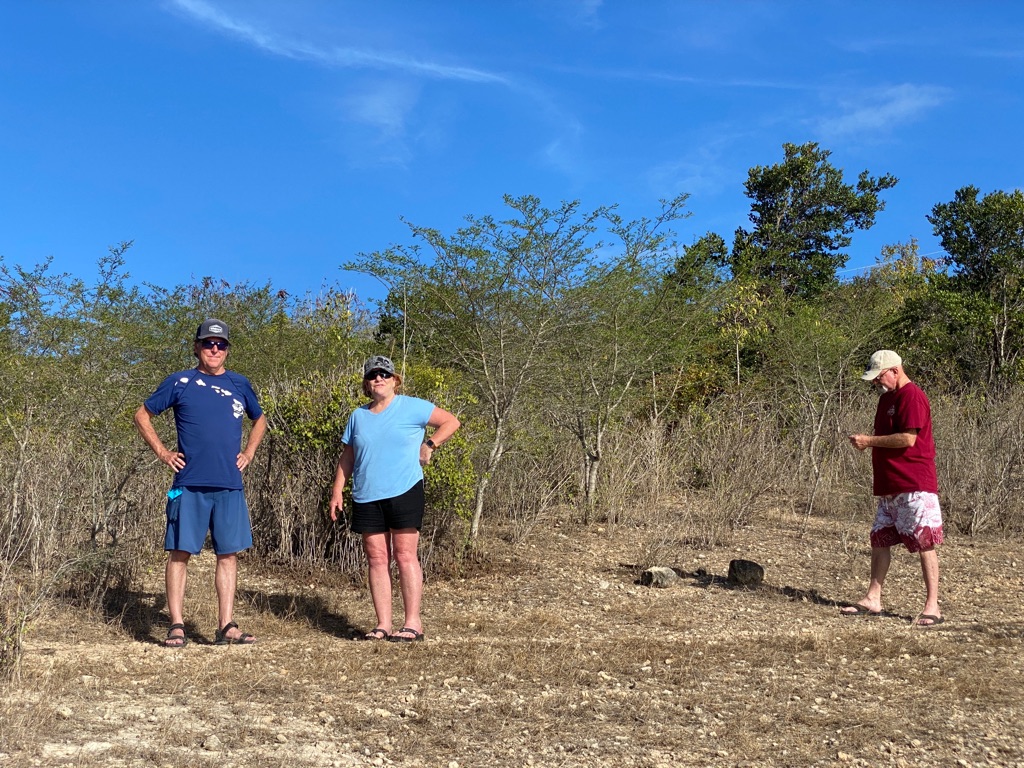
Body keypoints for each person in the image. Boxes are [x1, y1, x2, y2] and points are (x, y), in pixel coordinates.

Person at [134, 319, 267, 647]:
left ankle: (226, 626)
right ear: (197, 347)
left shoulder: (239, 384)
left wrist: (249, 452)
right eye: (208, 343)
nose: (214, 349)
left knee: (228, 554)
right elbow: (142, 415)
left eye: (221, 344)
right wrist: (163, 452)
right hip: (189, 483)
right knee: (180, 552)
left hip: (229, 484)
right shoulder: (180, 381)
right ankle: (176, 624)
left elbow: (260, 419)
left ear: (227, 350)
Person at [329, 355, 461, 642]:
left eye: (384, 374)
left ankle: (413, 623)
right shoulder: (358, 416)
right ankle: (383, 625)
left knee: (404, 554)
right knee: (377, 558)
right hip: (366, 494)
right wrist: (337, 490)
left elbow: (451, 422)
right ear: (366, 383)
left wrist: (430, 444)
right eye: (373, 375)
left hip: (405, 489)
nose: (379, 378)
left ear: (395, 380)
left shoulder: (413, 406)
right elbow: (348, 456)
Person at [842, 350, 944, 626]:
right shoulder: (886, 399)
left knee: (923, 541)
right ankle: (873, 598)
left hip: (914, 483)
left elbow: (908, 439)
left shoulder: (912, 396)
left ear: (895, 371)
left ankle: (932, 606)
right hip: (889, 484)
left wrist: (869, 441)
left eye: (879, 376)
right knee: (880, 538)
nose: (877, 382)